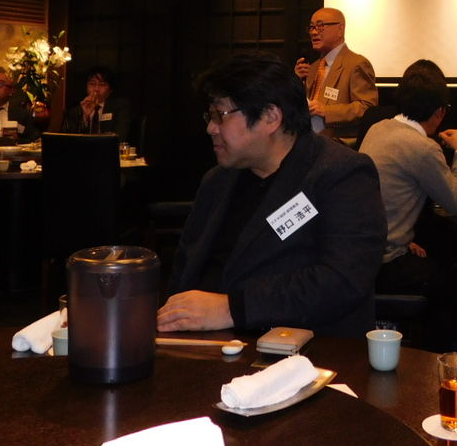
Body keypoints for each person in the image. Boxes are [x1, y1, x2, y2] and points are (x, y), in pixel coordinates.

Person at [157, 51, 385, 337]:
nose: (210, 128)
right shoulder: (218, 181)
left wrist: (233, 309)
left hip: (305, 352)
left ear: (270, 116)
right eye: (210, 115)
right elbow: (185, 267)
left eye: (220, 115)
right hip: (203, 345)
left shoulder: (341, 174)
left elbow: (342, 280)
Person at [359, 60, 457, 350]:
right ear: (439, 112)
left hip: (363, 254)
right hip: (385, 264)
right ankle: (429, 357)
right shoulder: (423, 147)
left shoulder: (378, 128)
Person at [293, 7, 377, 140]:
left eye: (320, 26)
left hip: (338, 143)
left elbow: (367, 107)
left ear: (340, 29)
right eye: (311, 27)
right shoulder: (313, 67)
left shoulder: (356, 64)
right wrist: (296, 80)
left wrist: (326, 111)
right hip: (310, 139)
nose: (314, 32)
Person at [61, 65, 130, 139]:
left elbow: (120, 137)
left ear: (110, 90)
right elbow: (69, 139)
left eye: (102, 85)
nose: (96, 89)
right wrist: (84, 116)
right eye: (92, 84)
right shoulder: (76, 109)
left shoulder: (120, 107)